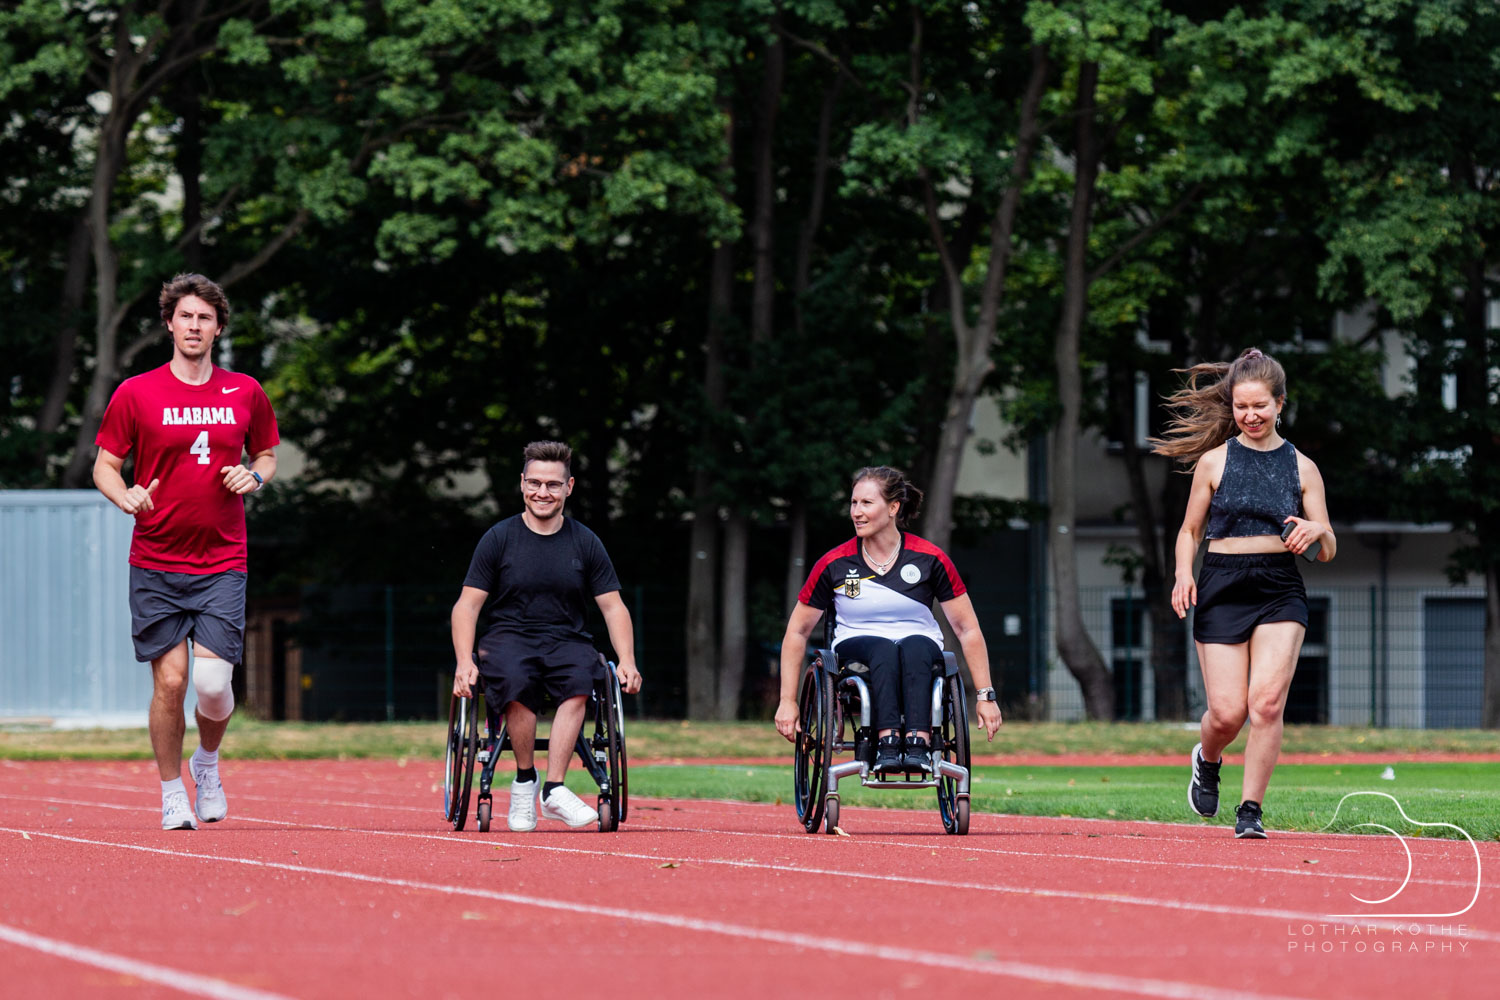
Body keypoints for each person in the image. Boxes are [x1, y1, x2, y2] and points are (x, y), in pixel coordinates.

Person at [93, 273, 279, 830]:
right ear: (169, 324)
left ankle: (208, 762)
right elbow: (105, 465)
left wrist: (254, 476)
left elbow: (267, 454)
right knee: (171, 682)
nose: (194, 326)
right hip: (156, 559)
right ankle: (172, 792)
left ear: (218, 328)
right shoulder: (136, 392)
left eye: (205, 317)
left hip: (222, 561)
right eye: (185, 316)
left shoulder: (245, 391)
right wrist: (124, 495)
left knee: (213, 687)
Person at [1153, 347, 1336, 839]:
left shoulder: (1303, 467)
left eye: (1260, 406)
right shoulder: (1214, 462)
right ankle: (1207, 757)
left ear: (1280, 403)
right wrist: (1183, 573)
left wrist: (1317, 530)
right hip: (1223, 583)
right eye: (1241, 407)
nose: (1250, 415)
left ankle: (1250, 809)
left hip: (1279, 587)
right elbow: (1190, 531)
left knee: (1267, 705)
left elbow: (1327, 549)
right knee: (1228, 713)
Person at [451, 440, 643, 831]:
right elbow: (466, 606)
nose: (543, 492)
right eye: (535, 483)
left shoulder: (585, 541)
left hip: (567, 637)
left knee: (581, 677)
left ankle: (554, 789)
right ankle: (525, 781)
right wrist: (463, 662)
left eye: (553, 484)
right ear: (522, 483)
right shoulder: (499, 538)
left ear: (568, 487)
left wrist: (627, 660)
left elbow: (613, 607)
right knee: (515, 676)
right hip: (509, 636)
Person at [774, 466, 1003, 771]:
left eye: (866, 503)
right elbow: (797, 632)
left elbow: (967, 628)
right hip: (856, 645)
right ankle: (887, 742)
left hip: (919, 644)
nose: (856, 512)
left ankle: (919, 743)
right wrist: (787, 700)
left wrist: (986, 696)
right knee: (883, 648)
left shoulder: (930, 558)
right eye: (853, 503)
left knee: (915, 647)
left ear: (893, 508)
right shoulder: (834, 563)